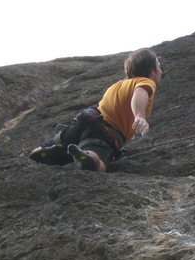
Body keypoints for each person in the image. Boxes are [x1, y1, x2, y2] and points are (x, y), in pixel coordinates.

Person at [29, 48, 162, 172]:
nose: (161, 71)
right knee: (97, 158)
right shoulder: (146, 82)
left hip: (87, 119)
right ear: (153, 71)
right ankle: (88, 158)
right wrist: (139, 116)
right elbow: (140, 93)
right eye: (159, 67)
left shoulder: (116, 86)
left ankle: (49, 149)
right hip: (106, 134)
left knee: (65, 139)